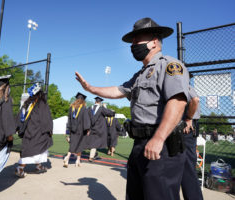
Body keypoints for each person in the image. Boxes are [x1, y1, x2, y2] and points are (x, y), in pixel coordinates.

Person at [75, 17, 189, 200]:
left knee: (158, 195)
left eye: (137, 40)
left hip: (162, 145)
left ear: (154, 42)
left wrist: (158, 139)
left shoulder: (170, 66)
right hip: (140, 144)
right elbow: (118, 90)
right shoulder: (140, 75)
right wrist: (90, 88)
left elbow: (178, 101)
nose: (132, 45)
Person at [15, 83, 53, 177]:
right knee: (32, 150)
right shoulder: (41, 103)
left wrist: (19, 128)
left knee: (35, 149)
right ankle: (20, 168)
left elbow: (20, 116)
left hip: (29, 131)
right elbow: (46, 118)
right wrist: (49, 129)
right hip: (38, 131)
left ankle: (38, 166)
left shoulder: (27, 103)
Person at [181, 85, 203, 200]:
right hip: (189, 128)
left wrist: (188, 118)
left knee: (187, 167)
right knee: (187, 166)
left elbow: (195, 100)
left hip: (186, 128)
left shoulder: (184, 85)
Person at [63, 92, 91, 167]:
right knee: (79, 145)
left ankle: (74, 159)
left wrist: (68, 130)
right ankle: (72, 159)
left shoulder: (71, 107)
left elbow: (68, 119)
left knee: (74, 144)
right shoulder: (83, 108)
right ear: (83, 100)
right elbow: (86, 119)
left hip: (73, 129)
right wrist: (88, 129)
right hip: (81, 130)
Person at [87, 96, 115, 162]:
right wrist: (105, 107)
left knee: (92, 142)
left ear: (95, 101)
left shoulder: (89, 108)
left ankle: (93, 154)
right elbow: (110, 114)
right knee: (96, 143)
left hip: (90, 128)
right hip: (99, 129)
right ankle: (91, 156)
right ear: (100, 102)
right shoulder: (101, 108)